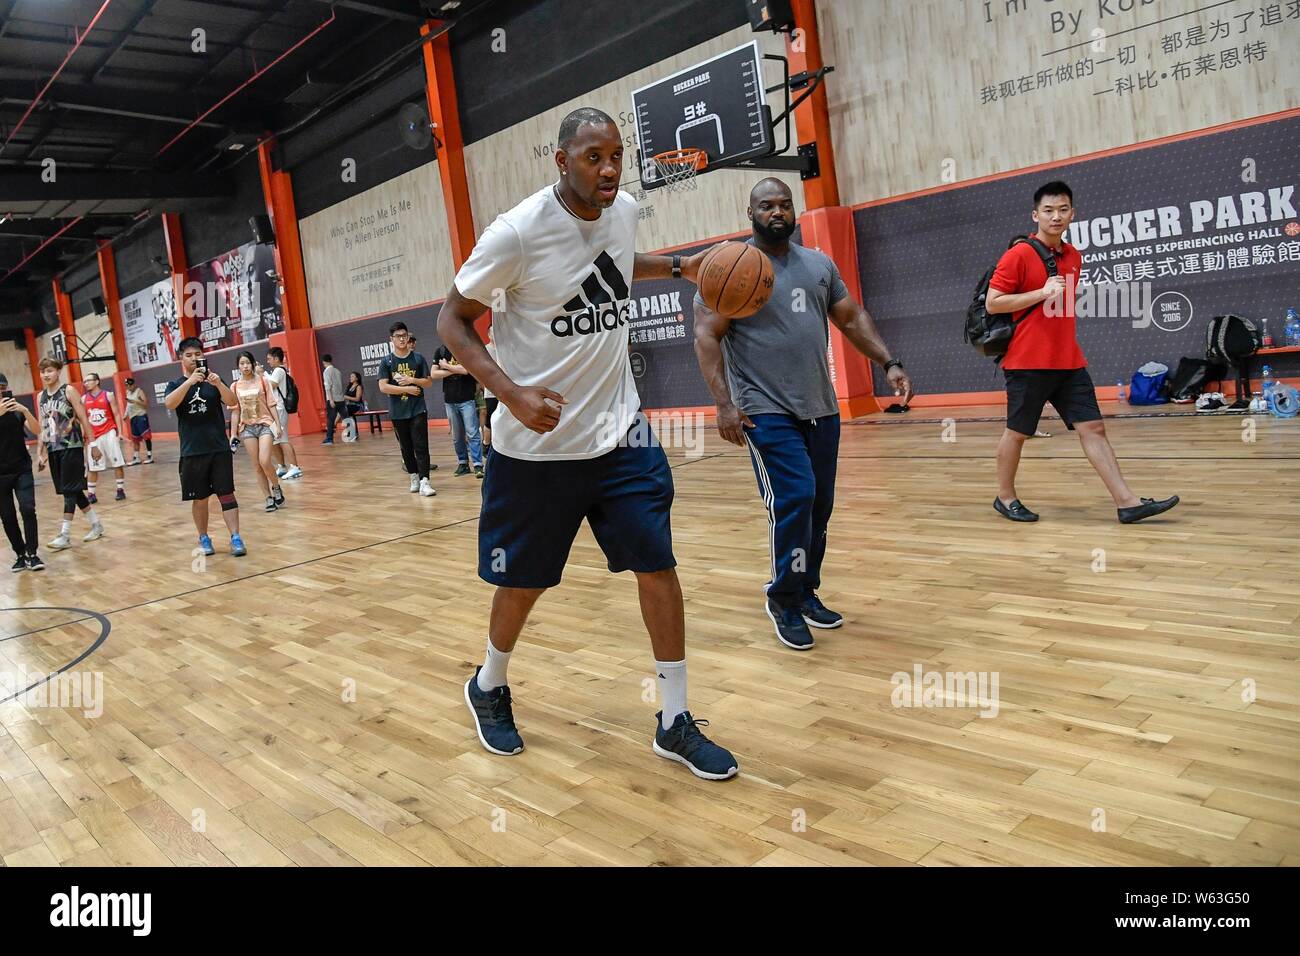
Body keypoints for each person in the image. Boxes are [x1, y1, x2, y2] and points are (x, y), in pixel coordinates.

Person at [436, 106, 737, 780]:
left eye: (616, 157)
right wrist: (509, 393)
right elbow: (452, 320)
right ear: (561, 159)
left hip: (620, 432)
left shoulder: (624, 211)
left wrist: (684, 265)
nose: (607, 169)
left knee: (656, 563)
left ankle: (674, 719)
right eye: (593, 156)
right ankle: (488, 684)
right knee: (525, 582)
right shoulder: (516, 233)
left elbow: (622, 263)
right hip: (535, 450)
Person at [694, 178, 915, 652]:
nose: (777, 212)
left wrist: (888, 362)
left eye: (784, 204)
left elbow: (851, 318)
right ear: (750, 211)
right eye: (766, 205)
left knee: (820, 506)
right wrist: (725, 403)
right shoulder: (729, 268)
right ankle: (783, 600)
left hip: (820, 406)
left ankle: (806, 587)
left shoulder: (818, 265)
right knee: (795, 497)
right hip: (763, 410)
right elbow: (706, 336)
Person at [986, 180, 1178, 524]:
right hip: (1028, 362)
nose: (1055, 216)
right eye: (1048, 210)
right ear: (1035, 215)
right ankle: (1005, 497)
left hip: (1069, 361)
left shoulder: (1074, 256)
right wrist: (1040, 293)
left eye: (1062, 209)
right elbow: (994, 302)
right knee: (1018, 432)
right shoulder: (1018, 255)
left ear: (1072, 213)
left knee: (1094, 428)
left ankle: (1127, 502)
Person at [164, 338, 246, 556]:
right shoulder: (175, 385)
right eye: (189, 355)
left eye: (197, 354)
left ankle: (235, 537)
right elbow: (170, 403)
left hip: (219, 448)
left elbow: (232, 402)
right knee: (199, 499)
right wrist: (189, 382)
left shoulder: (214, 381)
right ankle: (204, 537)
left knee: (227, 494)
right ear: (181, 358)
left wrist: (218, 383)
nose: (194, 358)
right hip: (193, 451)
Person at [35, 358, 104, 550]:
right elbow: (42, 425)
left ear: (58, 371)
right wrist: (39, 453)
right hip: (53, 448)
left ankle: (64, 534)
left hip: (71, 446)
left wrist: (93, 444)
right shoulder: (41, 396)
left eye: (49, 370)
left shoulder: (69, 391)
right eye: (42, 372)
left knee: (68, 490)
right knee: (72, 489)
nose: (46, 375)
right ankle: (96, 525)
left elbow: (83, 417)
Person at [377, 321, 437, 497]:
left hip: (417, 409)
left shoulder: (418, 359)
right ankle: (414, 476)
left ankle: (425, 480)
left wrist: (412, 381)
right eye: (398, 336)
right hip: (398, 412)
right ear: (391, 339)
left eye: (405, 336)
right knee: (406, 447)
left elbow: (428, 381)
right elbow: (383, 387)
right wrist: (406, 389)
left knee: (421, 445)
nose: (402, 339)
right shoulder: (386, 362)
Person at [229, 351, 285, 512]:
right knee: (257, 466)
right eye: (242, 363)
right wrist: (233, 433)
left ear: (253, 363)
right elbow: (235, 411)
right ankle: (268, 497)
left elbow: (271, 404)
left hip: (265, 425)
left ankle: (276, 487)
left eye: (247, 362)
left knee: (265, 461)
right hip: (247, 429)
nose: (245, 366)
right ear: (238, 366)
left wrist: (278, 425)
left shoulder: (262, 381)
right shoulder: (235, 386)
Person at [0, 374, 45, 571]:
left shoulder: (17, 410)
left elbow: (37, 430)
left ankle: (32, 554)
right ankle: (19, 553)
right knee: (7, 516)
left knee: (28, 509)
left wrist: (26, 411)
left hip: (22, 469)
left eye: (2, 387)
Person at [433, 342, 484, 477]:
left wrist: (446, 366)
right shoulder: (441, 351)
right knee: (457, 436)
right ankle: (463, 463)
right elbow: (433, 374)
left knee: (472, 433)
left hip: (467, 399)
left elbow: (467, 370)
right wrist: (454, 369)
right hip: (450, 400)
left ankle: (478, 465)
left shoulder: (465, 349)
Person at [80, 372, 127, 502]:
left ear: (96, 381)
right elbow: (83, 419)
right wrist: (83, 435)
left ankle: (120, 490)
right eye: (84, 381)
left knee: (117, 463)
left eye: (88, 380)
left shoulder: (108, 395)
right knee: (92, 467)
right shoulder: (83, 399)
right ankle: (91, 494)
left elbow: (117, 414)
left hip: (109, 432)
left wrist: (120, 432)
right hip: (93, 436)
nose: (86, 383)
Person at [264, 346, 302, 480]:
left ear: (276, 358)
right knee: (275, 440)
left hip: (279, 409)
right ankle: (282, 466)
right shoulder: (276, 371)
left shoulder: (279, 370)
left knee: (283, 438)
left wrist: (261, 373)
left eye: (269, 359)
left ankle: (295, 467)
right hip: (275, 409)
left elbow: (270, 386)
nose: (268, 361)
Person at [120, 376, 153, 464]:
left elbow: (145, 404)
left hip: (141, 416)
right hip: (133, 418)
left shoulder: (139, 391)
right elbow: (128, 405)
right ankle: (136, 457)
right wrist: (125, 414)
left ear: (133, 385)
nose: (128, 387)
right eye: (126, 386)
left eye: (129, 385)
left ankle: (150, 456)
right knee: (135, 439)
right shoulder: (128, 392)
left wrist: (135, 401)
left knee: (146, 437)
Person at [321, 353, 345, 445]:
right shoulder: (337, 371)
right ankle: (352, 434)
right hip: (340, 398)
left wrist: (330, 400)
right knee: (345, 417)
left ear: (323, 362)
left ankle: (329, 438)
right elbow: (339, 385)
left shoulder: (327, 371)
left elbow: (328, 386)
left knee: (330, 419)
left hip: (333, 399)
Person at [342, 371, 364, 443]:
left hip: (357, 406)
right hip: (350, 405)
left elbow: (357, 399)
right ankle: (352, 432)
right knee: (343, 410)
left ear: (357, 378)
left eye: (352, 376)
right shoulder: (349, 386)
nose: (350, 378)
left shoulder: (359, 387)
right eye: (350, 376)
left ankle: (334, 425)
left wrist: (347, 397)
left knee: (345, 410)